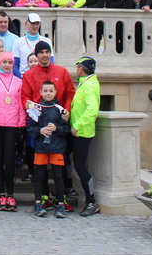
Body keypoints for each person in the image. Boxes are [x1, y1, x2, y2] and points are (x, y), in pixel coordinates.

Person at [0, 51, 26, 210]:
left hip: (12, 124)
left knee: (9, 162)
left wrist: (21, 123)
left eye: (10, 62)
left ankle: (11, 194)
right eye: (4, 62)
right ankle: (1, 194)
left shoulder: (18, 81)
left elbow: (20, 104)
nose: (7, 65)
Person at [26, 81, 70, 218]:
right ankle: (38, 203)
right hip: (41, 148)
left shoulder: (59, 109)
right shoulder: (36, 109)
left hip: (57, 147)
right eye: (45, 91)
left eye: (51, 91)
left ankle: (61, 204)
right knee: (39, 176)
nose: (48, 93)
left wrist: (57, 129)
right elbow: (29, 128)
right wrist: (40, 130)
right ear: (40, 92)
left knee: (58, 176)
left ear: (56, 92)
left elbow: (66, 129)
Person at [70, 56, 101, 217]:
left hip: (83, 132)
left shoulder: (89, 85)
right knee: (76, 164)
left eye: (77, 67)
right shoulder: (87, 82)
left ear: (81, 69)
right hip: (79, 131)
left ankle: (91, 201)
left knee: (81, 167)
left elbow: (92, 110)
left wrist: (77, 126)